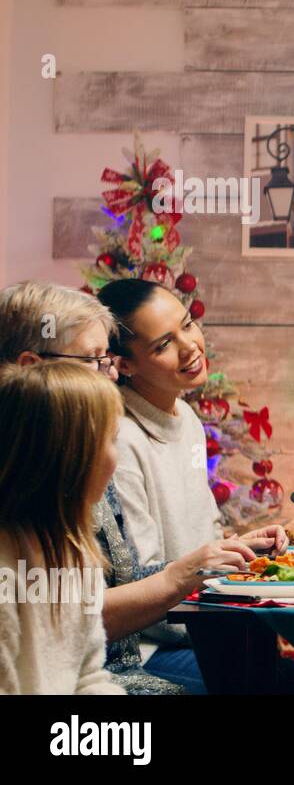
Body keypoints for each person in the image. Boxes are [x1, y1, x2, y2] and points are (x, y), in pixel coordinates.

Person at [1, 281, 259, 694]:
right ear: (33, 368)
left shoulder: (71, 485)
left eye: (108, 358)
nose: (111, 372)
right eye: (93, 359)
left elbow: (87, 665)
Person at [98, 278, 286, 693]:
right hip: (152, 647)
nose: (189, 347)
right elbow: (138, 584)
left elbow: (200, 541)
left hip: (206, 625)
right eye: (163, 344)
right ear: (124, 365)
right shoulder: (122, 441)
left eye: (187, 325)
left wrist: (244, 549)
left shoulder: (184, 417)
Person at [0, 363, 124, 694]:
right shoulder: (5, 570)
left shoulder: (77, 551)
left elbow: (89, 677)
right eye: (110, 440)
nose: (117, 456)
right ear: (67, 454)